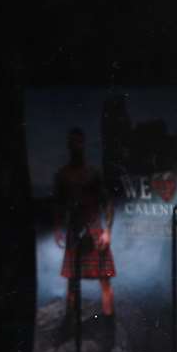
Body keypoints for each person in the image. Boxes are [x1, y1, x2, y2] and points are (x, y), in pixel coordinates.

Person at [53, 126, 116, 337]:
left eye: (79, 142)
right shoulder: (62, 175)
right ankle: (69, 324)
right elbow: (59, 204)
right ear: (69, 145)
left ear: (83, 144)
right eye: (73, 142)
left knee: (104, 281)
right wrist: (57, 228)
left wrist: (107, 231)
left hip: (95, 229)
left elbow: (108, 202)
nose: (76, 146)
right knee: (72, 282)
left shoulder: (93, 173)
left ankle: (109, 328)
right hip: (73, 232)